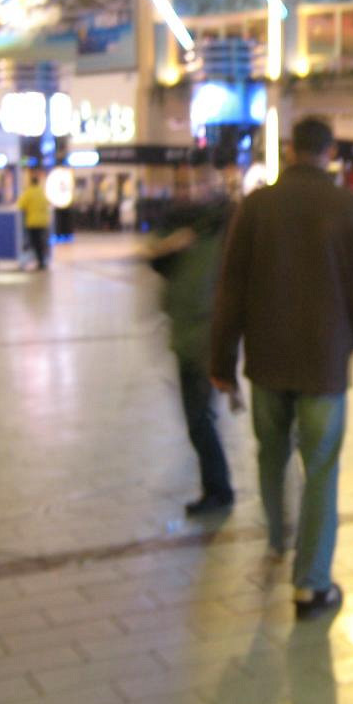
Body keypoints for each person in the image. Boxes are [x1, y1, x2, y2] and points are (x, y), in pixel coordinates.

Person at [211, 117, 353, 620]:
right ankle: (311, 585)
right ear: (329, 152)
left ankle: (276, 537)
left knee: (271, 453)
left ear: (290, 150)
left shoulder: (256, 207)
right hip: (324, 365)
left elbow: (231, 287)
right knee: (321, 468)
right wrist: (351, 338)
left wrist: (222, 360)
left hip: (267, 360)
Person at [146, 163, 235, 517]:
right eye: (180, 185)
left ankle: (219, 489)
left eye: (194, 184)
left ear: (210, 186)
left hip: (207, 335)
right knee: (197, 417)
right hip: (183, 333)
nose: (186, 191)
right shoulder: (174, 222)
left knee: (199, 417)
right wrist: (170, 244)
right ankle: (217, 487)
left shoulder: (224, 224)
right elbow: (151, 253)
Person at [15, 172, 51, 270]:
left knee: (35, 242)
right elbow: (47, 203)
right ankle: (42, 260)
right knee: (42, 242)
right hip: (43, 222)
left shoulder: (29, 192)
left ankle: (39, 261)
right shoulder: (42, 192)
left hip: (33, 222)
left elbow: (20, 205)